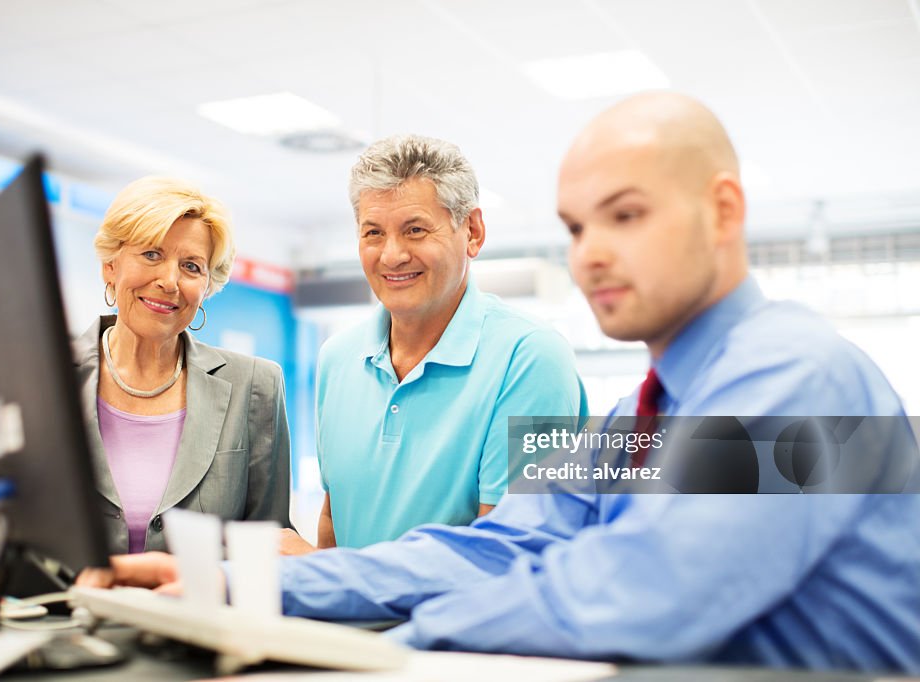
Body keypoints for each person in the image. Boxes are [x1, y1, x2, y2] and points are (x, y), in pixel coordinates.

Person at [79, 94, 920, 673]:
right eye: (577, 226)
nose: (588, 252)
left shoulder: (800, 382)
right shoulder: (639, 419)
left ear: (726, 212)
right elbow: (505, 543)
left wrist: (376, 647)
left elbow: (638, 594)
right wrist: (237, 589)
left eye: (625, 215)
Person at [0, 177, 291, 586]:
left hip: (195, 638)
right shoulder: (40, 377)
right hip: (61, 632)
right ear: (110, 265)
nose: (170, 280)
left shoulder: (255, 386)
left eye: (191, 266)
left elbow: (272, 548)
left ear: (207, 284)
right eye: (152, 254)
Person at [282, 135, 586, 553]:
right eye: (373, 232)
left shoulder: (531, 358)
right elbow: (335, 518)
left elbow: (505, 556)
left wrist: (320, 572)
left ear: (473, 232)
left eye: (415, 230)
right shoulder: (337, 358)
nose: (391, 255)